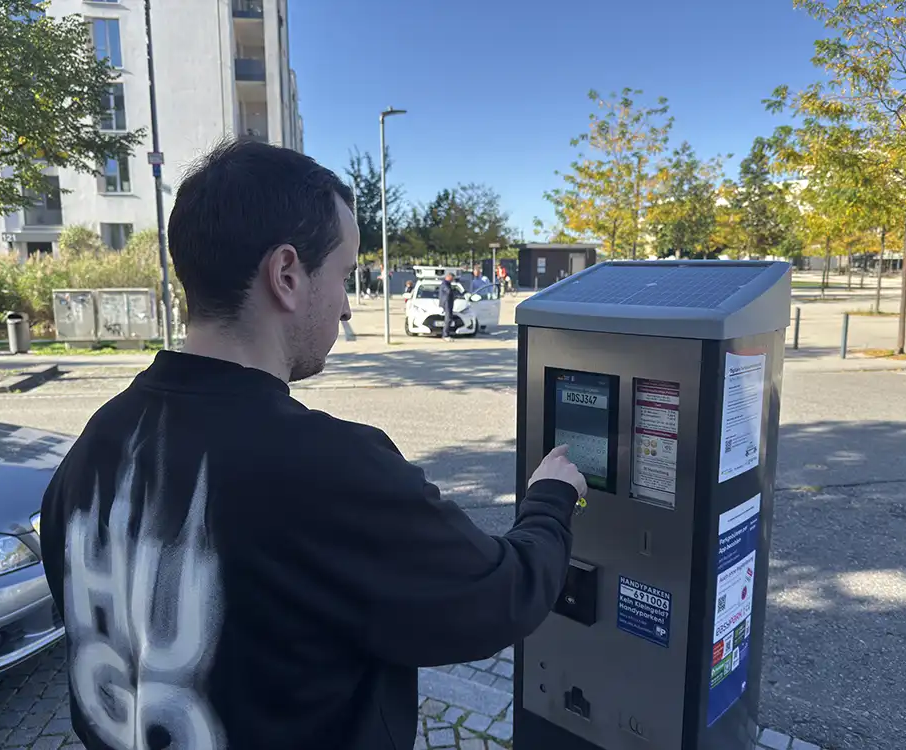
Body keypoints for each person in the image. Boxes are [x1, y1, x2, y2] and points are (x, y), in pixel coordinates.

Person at [39, 139, 586, 750]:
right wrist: (550, 500)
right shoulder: (330, 470)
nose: (348, 307)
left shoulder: (91, 449)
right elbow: (500, 597)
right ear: (287, 275)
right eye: (344, 275)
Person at [438, 271, 456, 341]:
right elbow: (448, 291)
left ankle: (446, 334)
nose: (452, 280)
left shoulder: (448, 284)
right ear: (448, 277)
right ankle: (445, 335)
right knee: (448, 319)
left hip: (448, 303)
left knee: (449, 319)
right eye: (452, 278)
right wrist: (453, 291)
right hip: (446, 303)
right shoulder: (445, 283)